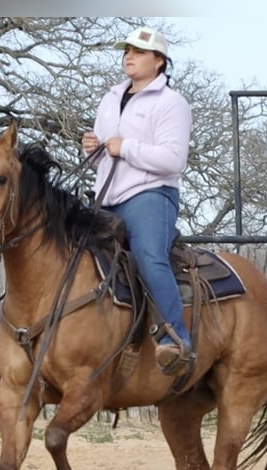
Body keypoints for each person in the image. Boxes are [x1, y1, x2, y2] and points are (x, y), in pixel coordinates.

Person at [82, 26, 193, 376]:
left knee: (148, 255)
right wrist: (94, 149)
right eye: (126, 50)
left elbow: (173, 160)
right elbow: (106, 152)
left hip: (151, 194)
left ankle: (176, 340)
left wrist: (124, 147)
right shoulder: (111, 97)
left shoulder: (171, 103)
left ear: (159, 61)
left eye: (139, 52)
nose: (128, 56)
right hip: (107, 196)